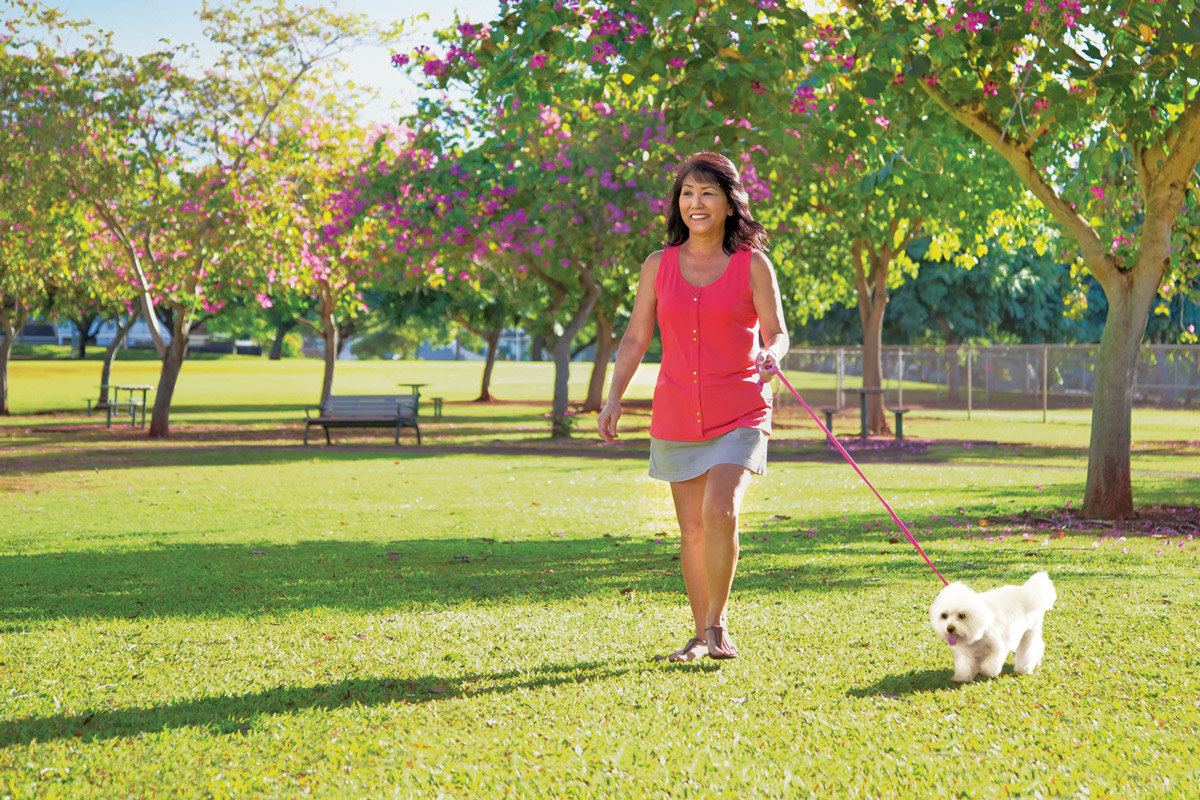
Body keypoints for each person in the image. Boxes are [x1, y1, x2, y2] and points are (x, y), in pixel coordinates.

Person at [597, 151, 789, 661]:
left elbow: (777, 331)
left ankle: (717, 624)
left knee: (719, 508)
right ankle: (700, 635)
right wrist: (613, 397)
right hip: (678, 412)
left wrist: (774, 353)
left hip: (741, 408)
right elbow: (636, 337)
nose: (695, 202)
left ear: (730, 204)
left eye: (707, 193)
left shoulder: (753, 264)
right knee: (692, 529)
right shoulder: (658, 266)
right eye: (687, 193)